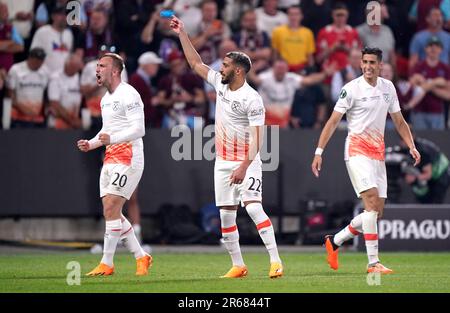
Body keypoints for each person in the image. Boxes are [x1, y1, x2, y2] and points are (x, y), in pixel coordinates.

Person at [169, 15, 283, 278]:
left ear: (239, 71)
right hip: (222, 160)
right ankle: (238, 265)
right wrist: (182, 33)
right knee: (226, 217)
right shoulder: (219, 84)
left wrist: (244, 166)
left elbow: (259, 138)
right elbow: (195, 62)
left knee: (253, 207)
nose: (221, 68)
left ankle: (276, 261)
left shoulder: (252, 99)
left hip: (248, 160)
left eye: (226, 65)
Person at [311, 47, 421, 274]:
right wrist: (319, 151)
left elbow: (399, 121)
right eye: (365, 62)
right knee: (370, 203)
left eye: (373, 62)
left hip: (377, 155)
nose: (368, 66)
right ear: (360, 64)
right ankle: (373, 263)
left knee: (376, 212)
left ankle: (335, 241)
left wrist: (411, 145)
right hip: (356, 152)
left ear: (381, 65)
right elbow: (332, 122)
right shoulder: (351, 89)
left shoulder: (388, 88)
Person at [77, 52, 152, 277]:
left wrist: (112, 139)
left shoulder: (129, 94)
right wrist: (91, 144)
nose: (97, 70)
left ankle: (107, 263)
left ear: (115, 71)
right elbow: (106, 131)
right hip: (110, 156)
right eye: (97, 66)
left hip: (129, 156)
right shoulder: (105, 99)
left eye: (102, 66)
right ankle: (141, 256)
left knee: (111, 207)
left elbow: (139, 130)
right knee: (113, 211)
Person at [400, 135, 450, 204]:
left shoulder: (422, 151)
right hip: (431, 176)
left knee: (436, 201)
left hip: (442, 173)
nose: (402, 142)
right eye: (402, 139)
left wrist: (415, 178)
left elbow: (428, 175)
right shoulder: (407, 150)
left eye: (404, 140)